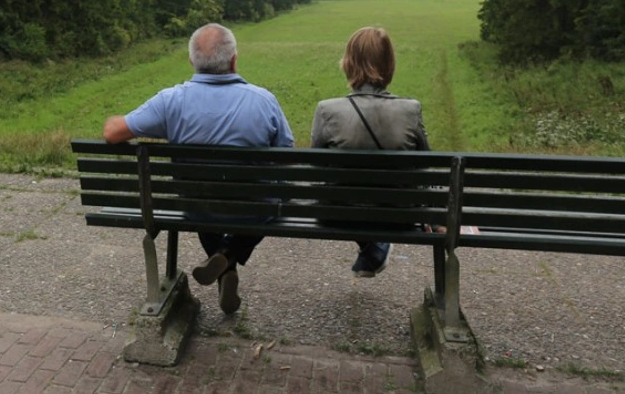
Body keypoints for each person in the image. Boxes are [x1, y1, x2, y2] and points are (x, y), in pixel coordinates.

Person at [103, 23, 294, 314]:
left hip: (197, 205)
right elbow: (286, 161)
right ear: (234, 60)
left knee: (199, 195)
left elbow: (113, 133)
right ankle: (229, 254)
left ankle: (223, 260)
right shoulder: (264, 100)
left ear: (192, 62)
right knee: (273, 198)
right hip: (252, 208)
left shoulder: (171, 100)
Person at [310, 26, 430, 278]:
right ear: (389, 64)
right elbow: (425, 164)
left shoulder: (327, 110)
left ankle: (373, 249)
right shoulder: (410, 109)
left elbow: (316, 167)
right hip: (400, 214)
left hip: (338, 214)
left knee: (345, 193)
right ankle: (374, 249)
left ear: (348, 63)